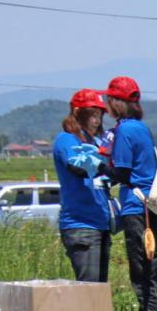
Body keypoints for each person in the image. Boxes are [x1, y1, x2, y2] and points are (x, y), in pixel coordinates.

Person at [102, 76, 157, 311]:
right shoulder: (141, 128)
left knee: (143, 276)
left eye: (108, 100)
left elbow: (123, 172)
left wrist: (100, 166)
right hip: (153, 210)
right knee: (148, 274)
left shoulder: (125, 131)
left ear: (116, 103)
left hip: (138, 209)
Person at [52, 89, 112, 282]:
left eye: (99, 115)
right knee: (89, 289)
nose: (97, 121)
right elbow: (76, 167)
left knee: (100, 289)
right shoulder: (66, 139)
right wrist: (98, 166)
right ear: (78, 113)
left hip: (101, 224)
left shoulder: (95, 142)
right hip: (81, 225)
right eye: (92, 115)